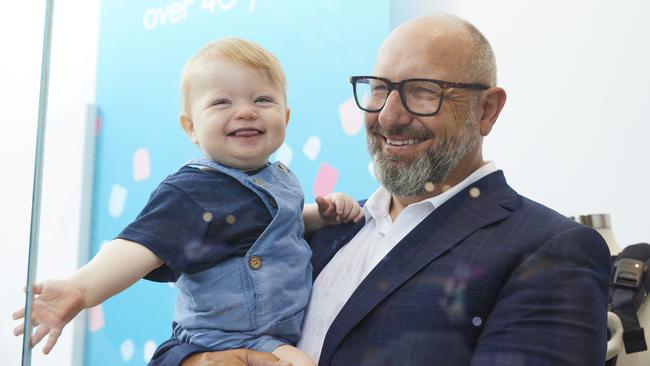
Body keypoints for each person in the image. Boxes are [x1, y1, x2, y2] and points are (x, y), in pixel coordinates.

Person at [152, 14, 611, 366]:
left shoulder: (551, 251)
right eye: (378, 89)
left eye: (422, 91)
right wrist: (199, 360)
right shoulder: (324, 224)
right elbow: (189, 333)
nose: (389, 116)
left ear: (486, 110)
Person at [12, 38, 365, 366]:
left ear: (286, 118)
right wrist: (80, 289)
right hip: (224, 340)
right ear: (191, 128)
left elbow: (277, 227)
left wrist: (320, 215)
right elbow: (138, 245)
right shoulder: (193, 190)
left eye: (262, 100)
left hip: (273, 331)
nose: (245, 111)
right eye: (222, 102)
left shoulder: (280, 178)